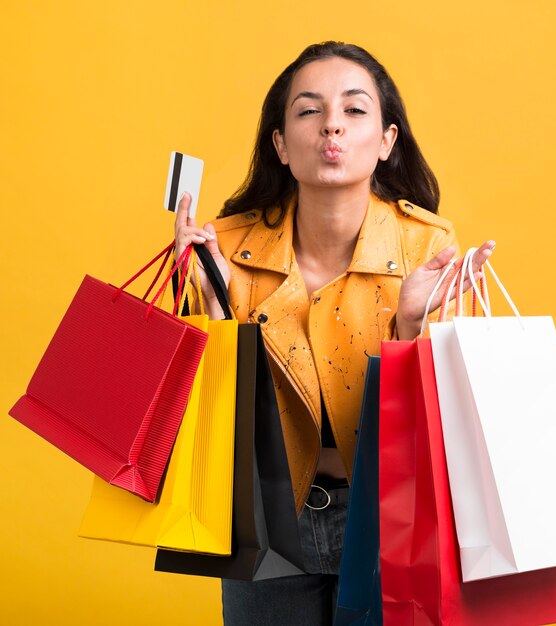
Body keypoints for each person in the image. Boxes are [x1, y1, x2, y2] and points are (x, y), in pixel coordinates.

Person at [174, 41, 494, 626]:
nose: (331, 128)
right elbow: (211, 420)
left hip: (388, 511)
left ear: (387, 141)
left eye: (353, 110)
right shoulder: (228, 249)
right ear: (280, 144)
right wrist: (211, 303)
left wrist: (410, 325)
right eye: (308, 111)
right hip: (268, 516)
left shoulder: (426, 246)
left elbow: (444, 428)